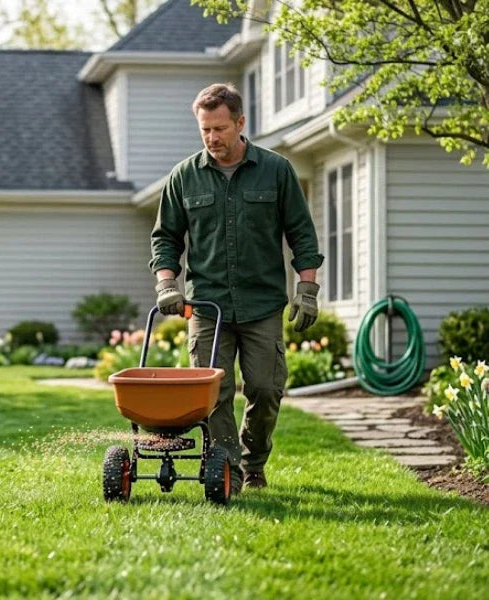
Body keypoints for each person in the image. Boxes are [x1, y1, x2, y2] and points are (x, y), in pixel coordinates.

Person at [149, 83, 323, 492]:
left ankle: (253, 460)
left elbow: (301, 234)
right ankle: (227, 470)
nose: (212, 138)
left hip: (261, 303)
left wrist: (307, 290)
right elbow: (165, 238)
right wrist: (167, 283)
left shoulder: (276, 170)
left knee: (265, 389)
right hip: (207, 306)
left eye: (220, 129)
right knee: (214, 393)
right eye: (205, 130)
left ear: (241, 123)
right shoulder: (184, 177)